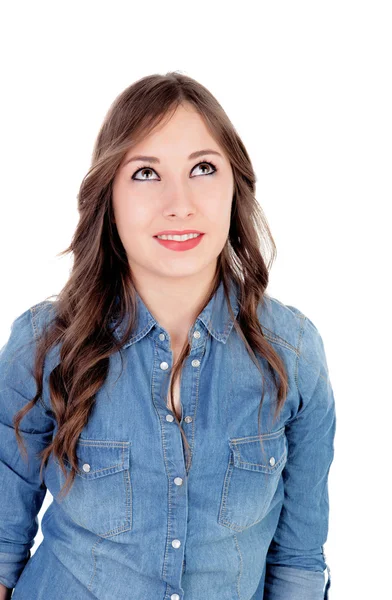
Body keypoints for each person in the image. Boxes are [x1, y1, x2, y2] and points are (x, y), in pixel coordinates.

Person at [0, 72, 336, 599]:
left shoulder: (293, 354)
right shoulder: (42, 345)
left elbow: (298, 561)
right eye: (145, 173)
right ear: (108, 194)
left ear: (234, 185)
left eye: (203, 168)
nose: (179, 203)